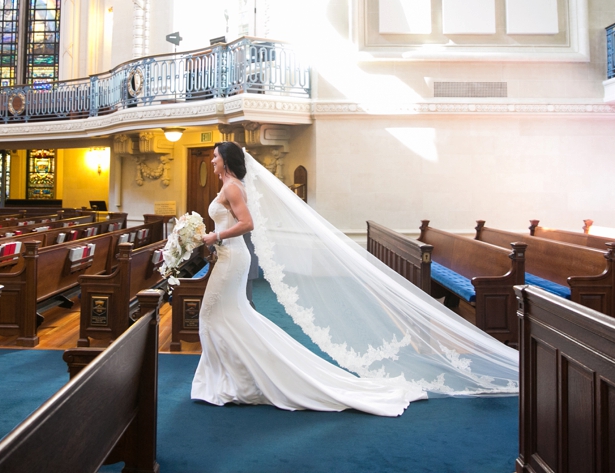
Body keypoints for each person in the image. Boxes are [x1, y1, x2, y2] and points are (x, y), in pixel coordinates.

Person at [190, 142, 518, 417]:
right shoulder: (227, 186)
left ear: (226, 160)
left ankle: (232, 379)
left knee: (213, 315)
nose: (213, 158)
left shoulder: (233, 187)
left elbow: (247, 224)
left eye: (216, 155)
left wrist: (212, 237)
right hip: (227, 257)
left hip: (232, 258)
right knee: (229, 316)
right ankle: (231, 377)